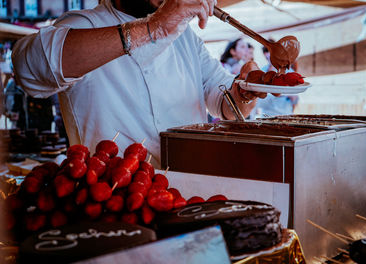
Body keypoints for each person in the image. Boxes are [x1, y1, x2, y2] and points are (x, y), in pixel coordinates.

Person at [12, 0, 266, 168]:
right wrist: (154, 27)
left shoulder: (186, 37)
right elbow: (28, 70)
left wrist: (245, 92)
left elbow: (227, 106)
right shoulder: (85, 24)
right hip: (112, 203)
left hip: (188, 196)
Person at [251, 45, 299, 118]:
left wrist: (289, 96)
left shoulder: (289, 72)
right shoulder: (262, 71)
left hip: (285, 114)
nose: (269, 55)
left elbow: (295, 98)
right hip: (266, 115)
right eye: (266, 52)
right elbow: (258, 97)